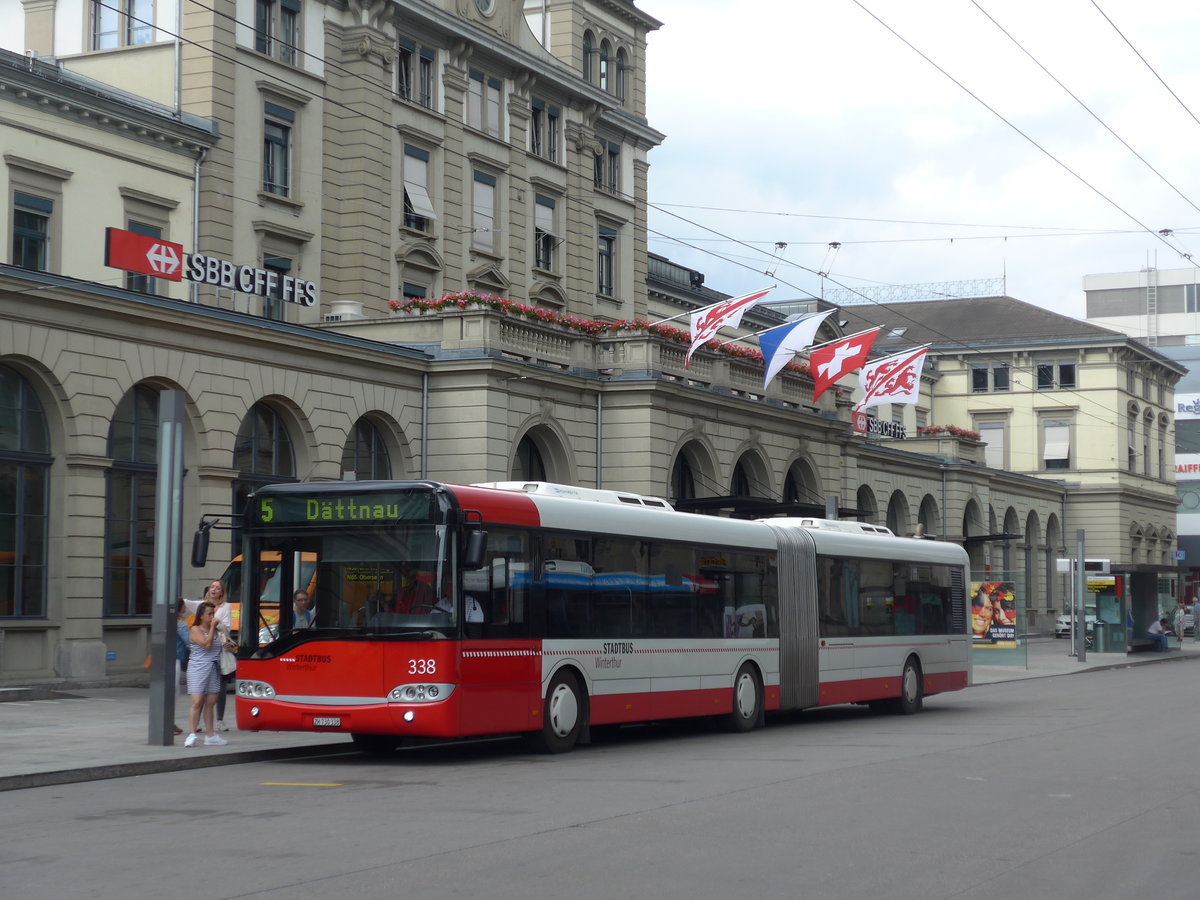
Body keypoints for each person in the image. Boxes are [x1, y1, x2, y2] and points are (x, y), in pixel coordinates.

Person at [185, 602, 235, 746]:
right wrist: (213, 627)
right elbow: (206, 645)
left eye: (213, 613)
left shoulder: (218, 630)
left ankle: (210, 734)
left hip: (213, 667)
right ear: (201, 616)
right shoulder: (195, 629)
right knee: (197, 701)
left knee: (210, 702)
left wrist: (228, 645)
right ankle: (192, 734)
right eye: (209, 614)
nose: (212, 617)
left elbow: (226, 645)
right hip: (198, 668)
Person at [202, 579, 234, 732]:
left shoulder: (226, 607)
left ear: (222, 592)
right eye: (212, 587)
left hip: (219, 648)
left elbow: (227, 627)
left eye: (217, 588)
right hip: (205, 647)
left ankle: (220, 720)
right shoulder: (203, 605)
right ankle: (200, 720)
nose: (214, 589)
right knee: (203, 685)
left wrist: (215, 623)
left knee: (221, 685)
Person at [173, 598, 190, 735]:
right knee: (174, 692)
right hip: (176, 659)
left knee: (172, 691)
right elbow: (189, 641)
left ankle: (170, 722)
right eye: (184, 605)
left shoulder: (167, 621)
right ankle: (169, 722)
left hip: (166, 659)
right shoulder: (181, 624)